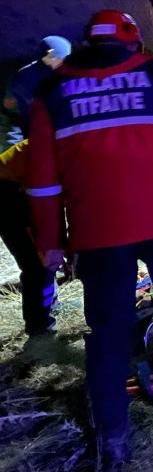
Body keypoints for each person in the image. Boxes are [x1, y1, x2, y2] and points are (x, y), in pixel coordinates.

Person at [26, 10, 153, 468]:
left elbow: (42, 181)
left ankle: (113, 440)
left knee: (108, 333)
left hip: (98, 234)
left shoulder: (52, 92)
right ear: (133, 42)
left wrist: (51, 239)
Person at [0, 36, 71, 335]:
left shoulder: (64, 78)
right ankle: (40, 327)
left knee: (45, 255)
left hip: (26, 177)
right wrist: (58, 247)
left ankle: (45, 309)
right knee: (38, 261)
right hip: (10, 192)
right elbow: (48, 204)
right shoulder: (25, 80)